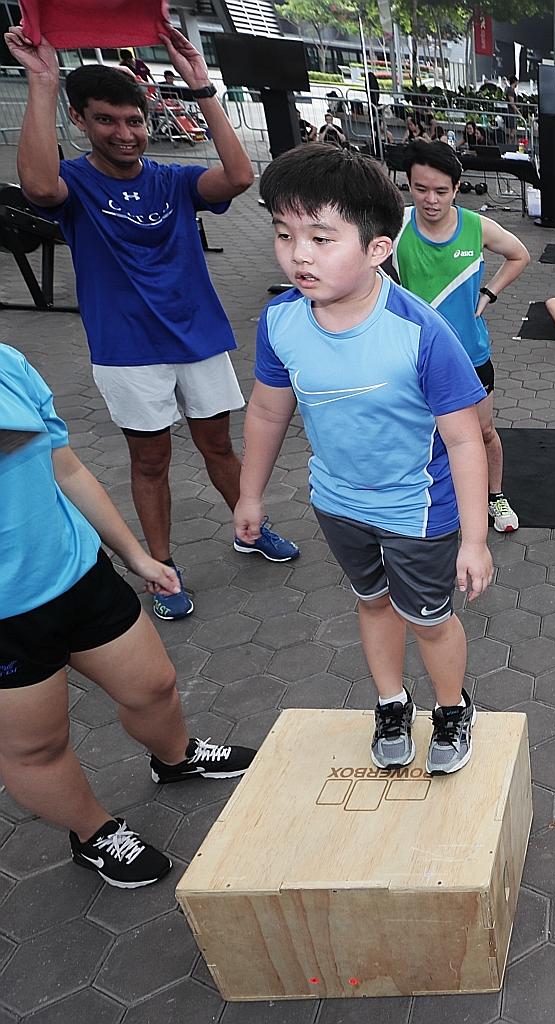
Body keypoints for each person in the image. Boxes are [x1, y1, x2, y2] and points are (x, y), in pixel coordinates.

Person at [8, 27, 298, 622]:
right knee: (150, 459)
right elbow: (38, 186)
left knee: (218, 443)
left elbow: (240, 179)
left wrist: (201, 87)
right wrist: (42, 80)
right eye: (107, 120)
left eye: (133, 120)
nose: (125, 133)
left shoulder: (169, 179)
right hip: (127, 347)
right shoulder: (77, 184)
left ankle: (251, 527)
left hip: (198, 334)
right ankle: (163, 569)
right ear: (80, 120)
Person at [240, 144, 492, 775]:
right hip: (338, 503)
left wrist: (476, 540)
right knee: (373, 601)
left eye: (322, 238)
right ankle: (390, 702)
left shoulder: (420, 332)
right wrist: (249, 496)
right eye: (285, 234)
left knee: (428, 619)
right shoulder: (280, 322)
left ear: (378, 247)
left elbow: (466, 440)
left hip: (417, 509)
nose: (299, 254)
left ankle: (453, 707)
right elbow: (269, 412)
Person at [0, 345, 258, 889]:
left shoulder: (7, 362)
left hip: (77, 573)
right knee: (37, 748)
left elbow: (64, 466)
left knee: (154, 686)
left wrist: (135, 554)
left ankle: (176, 758)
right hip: (7, 622)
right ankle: (93, 834)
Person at [395, 141, 531, 534]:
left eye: (440, 191)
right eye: (421, 189)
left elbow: (520, 254)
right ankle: (434, 501)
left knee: (484, 432)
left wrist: (489, 293)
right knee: (424, 435)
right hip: (415, 357)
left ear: (457, 188)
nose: (430, 200)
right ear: (409, 184)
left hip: (470, 353)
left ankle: (495, 496)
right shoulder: (397, 225)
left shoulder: (476, 226)